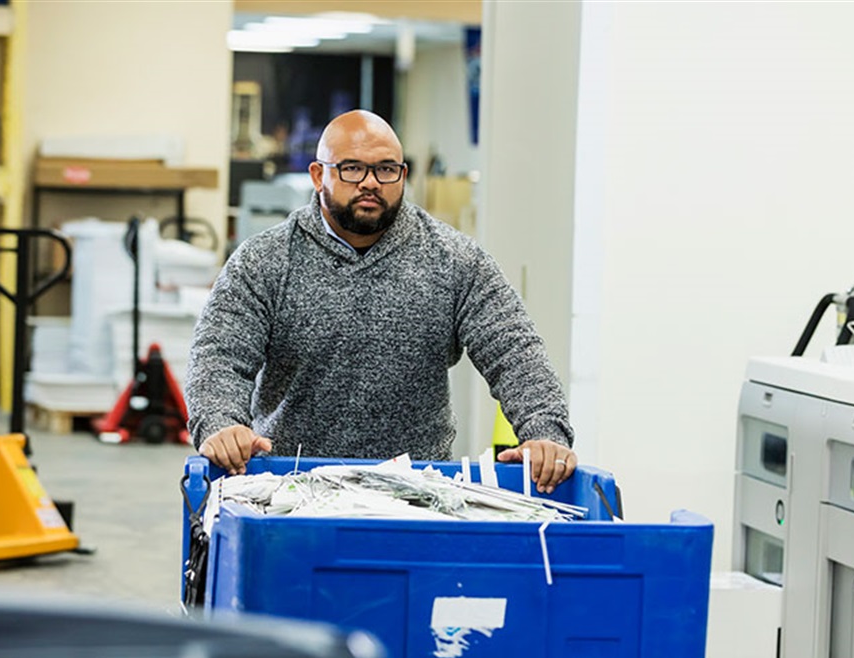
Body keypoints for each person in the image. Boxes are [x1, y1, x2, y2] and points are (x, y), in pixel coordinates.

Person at [185, 110, 576, 492]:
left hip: (418, 495)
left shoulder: (455, 260)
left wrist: (546, 432)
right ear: (319, 174)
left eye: (386, 169)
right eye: (352, 168)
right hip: (290, 488)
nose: (370, 182)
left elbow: (515, 350)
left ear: (403, 175)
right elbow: (219, 354)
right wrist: (221, 422)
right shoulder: (264, 261)